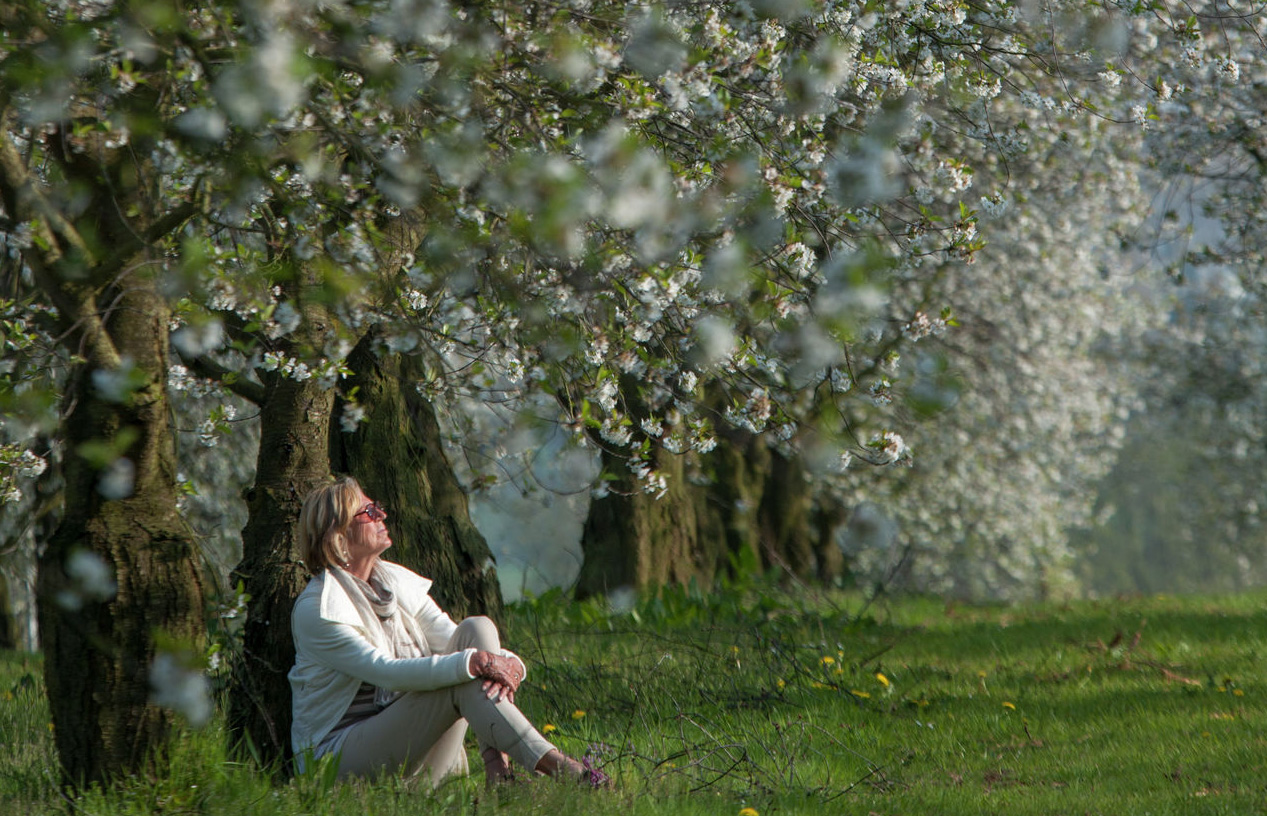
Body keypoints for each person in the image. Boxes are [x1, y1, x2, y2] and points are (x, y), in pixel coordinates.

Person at [288, 476, 604, 787]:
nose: (382, 515)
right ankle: (566, 770)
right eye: (368, 512)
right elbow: (384, 672)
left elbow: (455, 637)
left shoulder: (393, 582)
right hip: (338, 766)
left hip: (415, 754)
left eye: (378, 508)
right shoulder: (319, 608)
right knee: (462, 677)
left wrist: (512, 665)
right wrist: (475, 663)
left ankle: (501, 773)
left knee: (477, 627)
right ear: (338, 534)